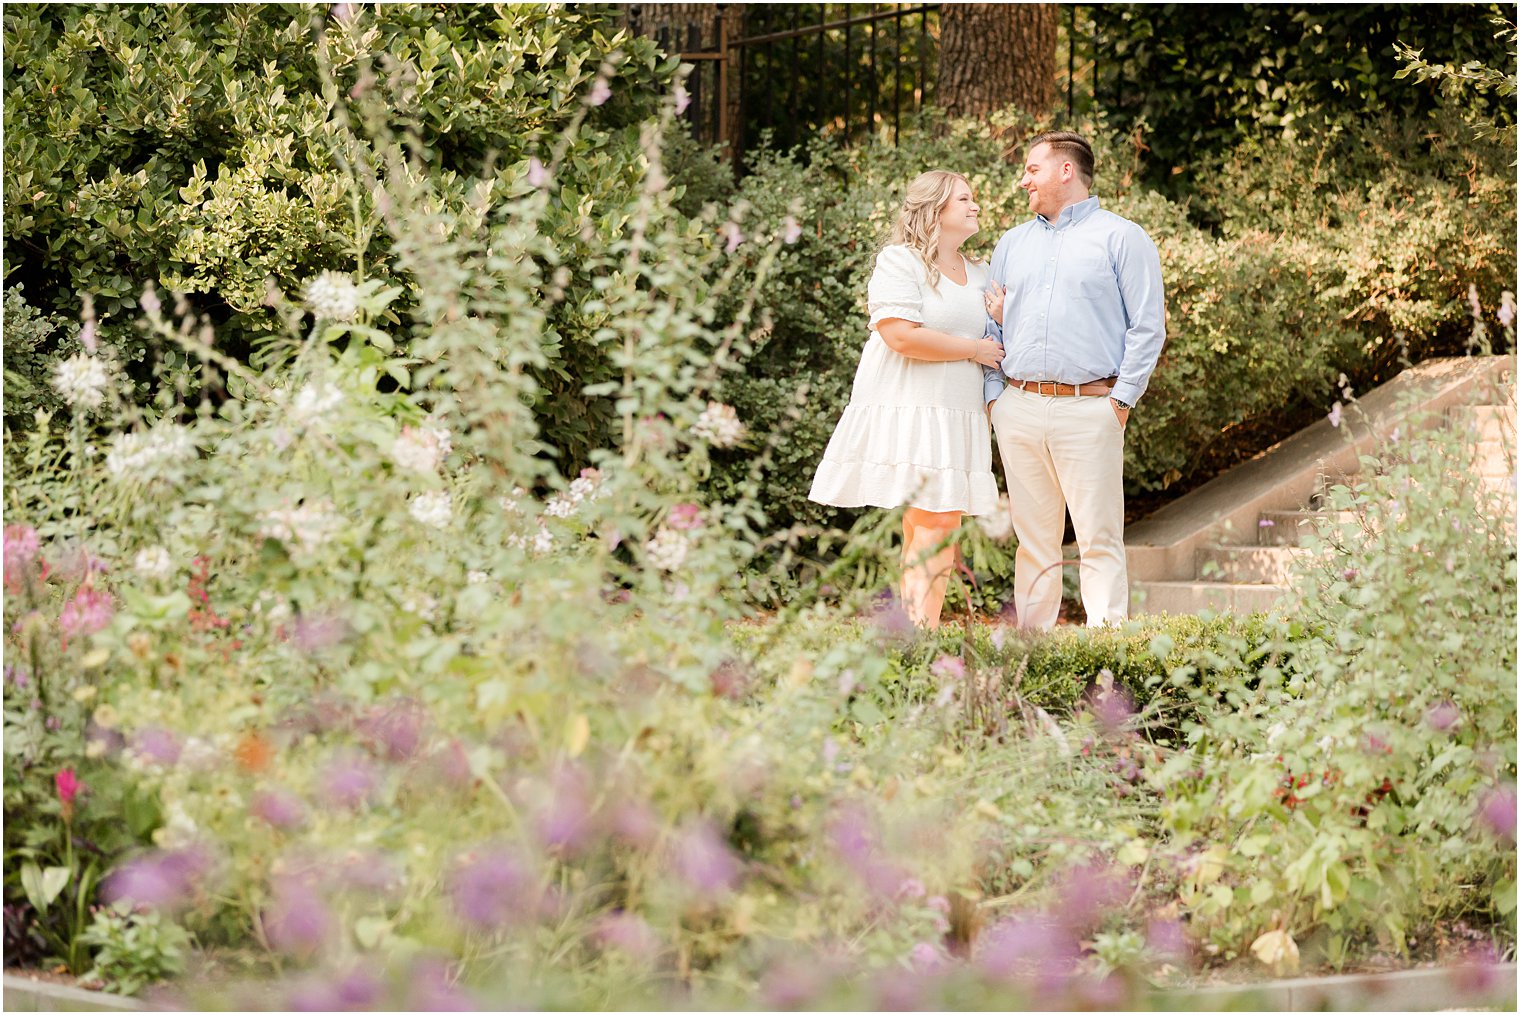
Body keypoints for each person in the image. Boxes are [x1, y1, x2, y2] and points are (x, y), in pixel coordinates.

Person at [980, 131, 1166, 629]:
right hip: (1018, 408)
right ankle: (1033, 655)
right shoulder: (1011, 243)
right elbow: (990, 325)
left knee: (1098, 539)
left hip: (1092, 409)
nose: (1023, 181)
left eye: (1032, 169)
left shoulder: (1122, 237)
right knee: (1033, 541)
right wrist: (995, 399)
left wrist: (1120, 402)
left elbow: (1148, 328)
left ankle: (1107, 657)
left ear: (1066, 170)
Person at [809, 170, 1005, 629]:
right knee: (935, 525)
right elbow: (899, 336)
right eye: (964, 198)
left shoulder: (981, 273)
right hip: (913, 408)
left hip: (957, 411)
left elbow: (999, 331)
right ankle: (921, 635)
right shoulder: (901, 261)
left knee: (934, 525)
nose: (975, 205)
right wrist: (974, 350)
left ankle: (912, 634)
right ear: (935, 209)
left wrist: (999, 318)